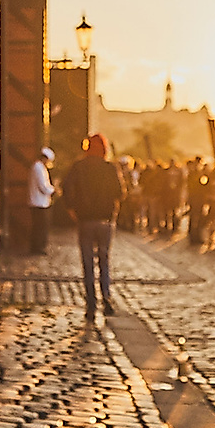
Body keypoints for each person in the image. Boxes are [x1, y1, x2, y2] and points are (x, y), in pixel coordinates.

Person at [60, 135, 126, 323]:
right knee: (104, 261)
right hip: (105, 220)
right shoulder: (110, 168)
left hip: (85, 220)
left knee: (87, 263)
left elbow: (66, 188)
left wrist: (72, 209)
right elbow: (120, 193)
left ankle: (91, 304)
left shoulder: (78, 167)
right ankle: (106, 297)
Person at [25, 147, 57, 254]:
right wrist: (53, 190)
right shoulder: (38, 168)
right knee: (40, 227)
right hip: (39, 202)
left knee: (38, 226)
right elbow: (43, 186)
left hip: (39, 201)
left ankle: (37, 247)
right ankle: (37, 248)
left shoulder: (38, 167)